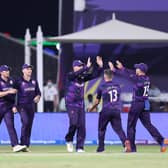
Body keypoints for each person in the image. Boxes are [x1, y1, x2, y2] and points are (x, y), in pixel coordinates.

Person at [109, 60, 168, 152]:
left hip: (137, 103)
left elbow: (128, 75)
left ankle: (132, 149)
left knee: (131, 126)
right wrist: (122, 68)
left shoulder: (138, 79)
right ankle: (162, 141)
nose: (135, 69)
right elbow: (131, 74)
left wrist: (116, 70)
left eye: (137, 68)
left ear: (140, 70)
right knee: (148, 125)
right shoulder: (146, 78)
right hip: (145, 104)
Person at [65, 56, 103, 152]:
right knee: (73, 123)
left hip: (80, 104)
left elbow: (94, 75)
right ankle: (69, 140)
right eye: (79, 66)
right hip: (71, 104)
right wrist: (86, 67)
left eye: (82, 66)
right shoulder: (70, 75)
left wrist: (100, 67)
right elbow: (75, 74)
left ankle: (80, 147)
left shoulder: (82, 77)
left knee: (82, 126)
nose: (81, 67)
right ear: (74, 67)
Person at [88, 68, 131, 152]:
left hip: (106, 110)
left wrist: (92, 108)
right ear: (112, 76)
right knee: (119, 129)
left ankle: (101, 148)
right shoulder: (117, 86)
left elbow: (97, 101)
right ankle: (125, 142)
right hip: (116, 110)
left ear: (105, 76)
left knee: (101, 129)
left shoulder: (102, 86)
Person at [14, 64, 41, 152]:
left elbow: (38, 92)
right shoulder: (18, 81)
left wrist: (38, 97)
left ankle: (26, 145)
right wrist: (14, 106)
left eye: (30, 69)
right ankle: (22, 144)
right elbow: (14, 94)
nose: (29, 70)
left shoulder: (34, 81)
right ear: (23, 71)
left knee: (29, 125)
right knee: (25, 122)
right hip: (22, 106)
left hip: (31, 106)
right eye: (27, 69)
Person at [0, 65, 26, 152]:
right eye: (5, 71)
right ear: (1, 72)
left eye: (8, 70)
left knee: (11, 126)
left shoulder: (12, 81)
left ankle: (15, 145)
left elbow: (15, 94)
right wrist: (8, 92)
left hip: (8, 107)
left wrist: (14, 106)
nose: (8, 72)